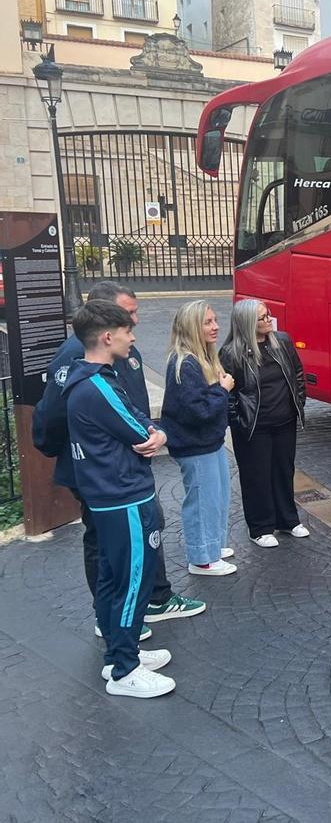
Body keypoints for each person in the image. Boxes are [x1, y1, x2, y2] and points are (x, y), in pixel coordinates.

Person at [33, 282, 205, 636]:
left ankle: (155, 599)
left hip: (131, 467)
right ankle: (110, 619)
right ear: (105, 322)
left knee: (148, 527)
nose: (136, 323)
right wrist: (64, 453)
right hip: (98, 472)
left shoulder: (128, 350)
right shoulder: (75, 354)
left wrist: (151, 433)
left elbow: (133, 405)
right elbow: (51, 416)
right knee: (105, 542)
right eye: (129, 315)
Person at [63, 301, 174, 698]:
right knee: (133, 581)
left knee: (113, 577)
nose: (133, 337)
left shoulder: (88, 380)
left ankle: (118, 655)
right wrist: (158, 434)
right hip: (124, 496)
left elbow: (134, 419)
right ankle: (125, 668)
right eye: (127, 331)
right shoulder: (97, 386)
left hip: (109, 495)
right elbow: (139, 429)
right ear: (108, 336)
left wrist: (151, 429)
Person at [220, 299, 311, 549]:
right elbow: (227, 393)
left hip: (284, 420)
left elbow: (298, 373)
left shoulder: (281, 341)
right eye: (262, 317)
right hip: (253, 426)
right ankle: (260, 528)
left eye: (268, 314)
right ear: (248, 323)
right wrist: (238, 420)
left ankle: (288, 520)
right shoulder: (230, 353)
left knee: (284, 470)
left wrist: (298, 404)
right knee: (256, 476)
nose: (269, 319)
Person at [161, 301, 236, 576]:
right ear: (193, 326)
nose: (215, 326)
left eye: (215, 320)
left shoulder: (199, 359)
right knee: (203, 501)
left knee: (217, 497)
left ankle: (212, 546)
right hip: (195, 445)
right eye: (207, 322)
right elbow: (199, 410)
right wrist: (223, 389)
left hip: (208, 442)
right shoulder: (185, 364)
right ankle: (202, 557)